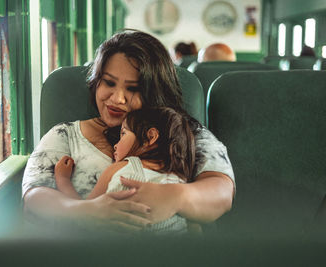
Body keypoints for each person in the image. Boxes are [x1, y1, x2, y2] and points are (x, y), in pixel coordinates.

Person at [22, 29, 235, 233]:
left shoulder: (184, 134)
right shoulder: (65, 135)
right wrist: (85, 212)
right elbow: (35, 195)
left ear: (154, 91)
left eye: (133, 89)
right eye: (108, 83)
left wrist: (177, 196)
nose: (117, 99)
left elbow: (222, 192)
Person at [55, 107, 195, 233]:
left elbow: (87, 214)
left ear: (150, 137)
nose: (115, 145)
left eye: (123, 133)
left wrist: (63, 180)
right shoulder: (182, 183)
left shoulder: (121, 167)